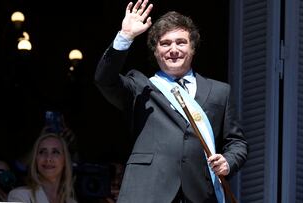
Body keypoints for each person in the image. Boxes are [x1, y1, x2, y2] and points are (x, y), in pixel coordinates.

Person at [94, 0, 248, 202]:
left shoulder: (220, 91)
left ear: (193, 47)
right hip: (148, 192)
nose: (173, 49)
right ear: (155, 51)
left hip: (199, 193)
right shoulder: (140, 87)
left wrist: (228, 162)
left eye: (181, 42)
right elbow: (104, 79)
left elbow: (237, 142)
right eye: (165, 43)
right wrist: (126, 36)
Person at [7, 132, 77, 203]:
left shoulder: (72, 201)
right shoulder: (19, 195)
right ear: (35, 160)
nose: (48, 158)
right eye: (42, 152)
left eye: (55, 152)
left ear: (65, 160)